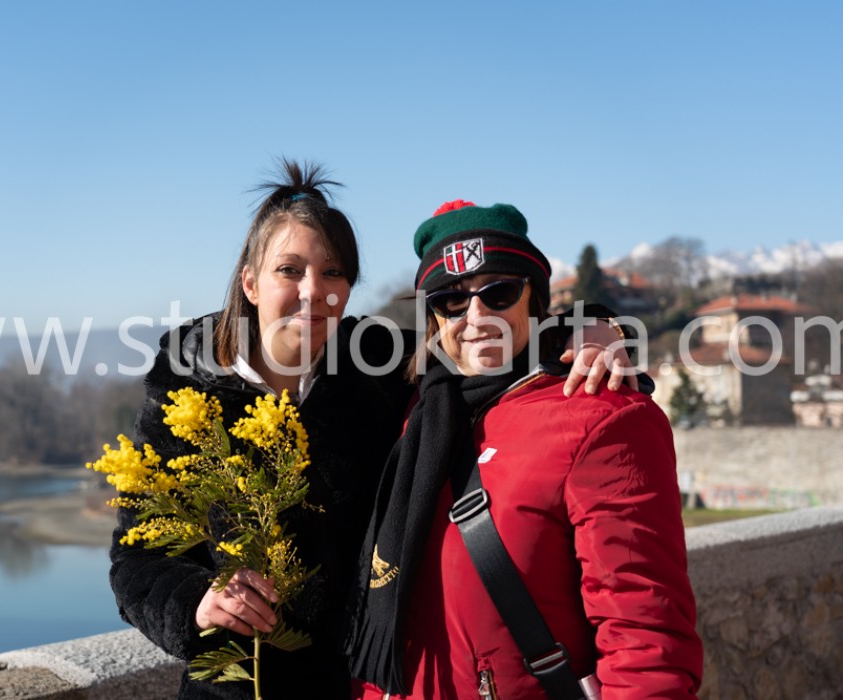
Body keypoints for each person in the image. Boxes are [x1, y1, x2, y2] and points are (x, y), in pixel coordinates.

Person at [109, 163, 640, 700]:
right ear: (250, 281)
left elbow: (479, 331)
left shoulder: (375, 366)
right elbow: (137, 558)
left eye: (333, 272)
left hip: (352, 686)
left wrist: (592, 327)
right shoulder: (185, 391)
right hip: (231, 688)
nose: (313, 291)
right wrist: (196, 603)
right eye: (289, 270)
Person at [345, 200, 703, 699]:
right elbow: (294, 336)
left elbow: (645, 636)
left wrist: (594, 325)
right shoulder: (420, 408)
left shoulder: (601, 413)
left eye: (499, 292)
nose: (476, 316)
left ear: (533, 297)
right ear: (434, 316)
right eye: (451, 300)